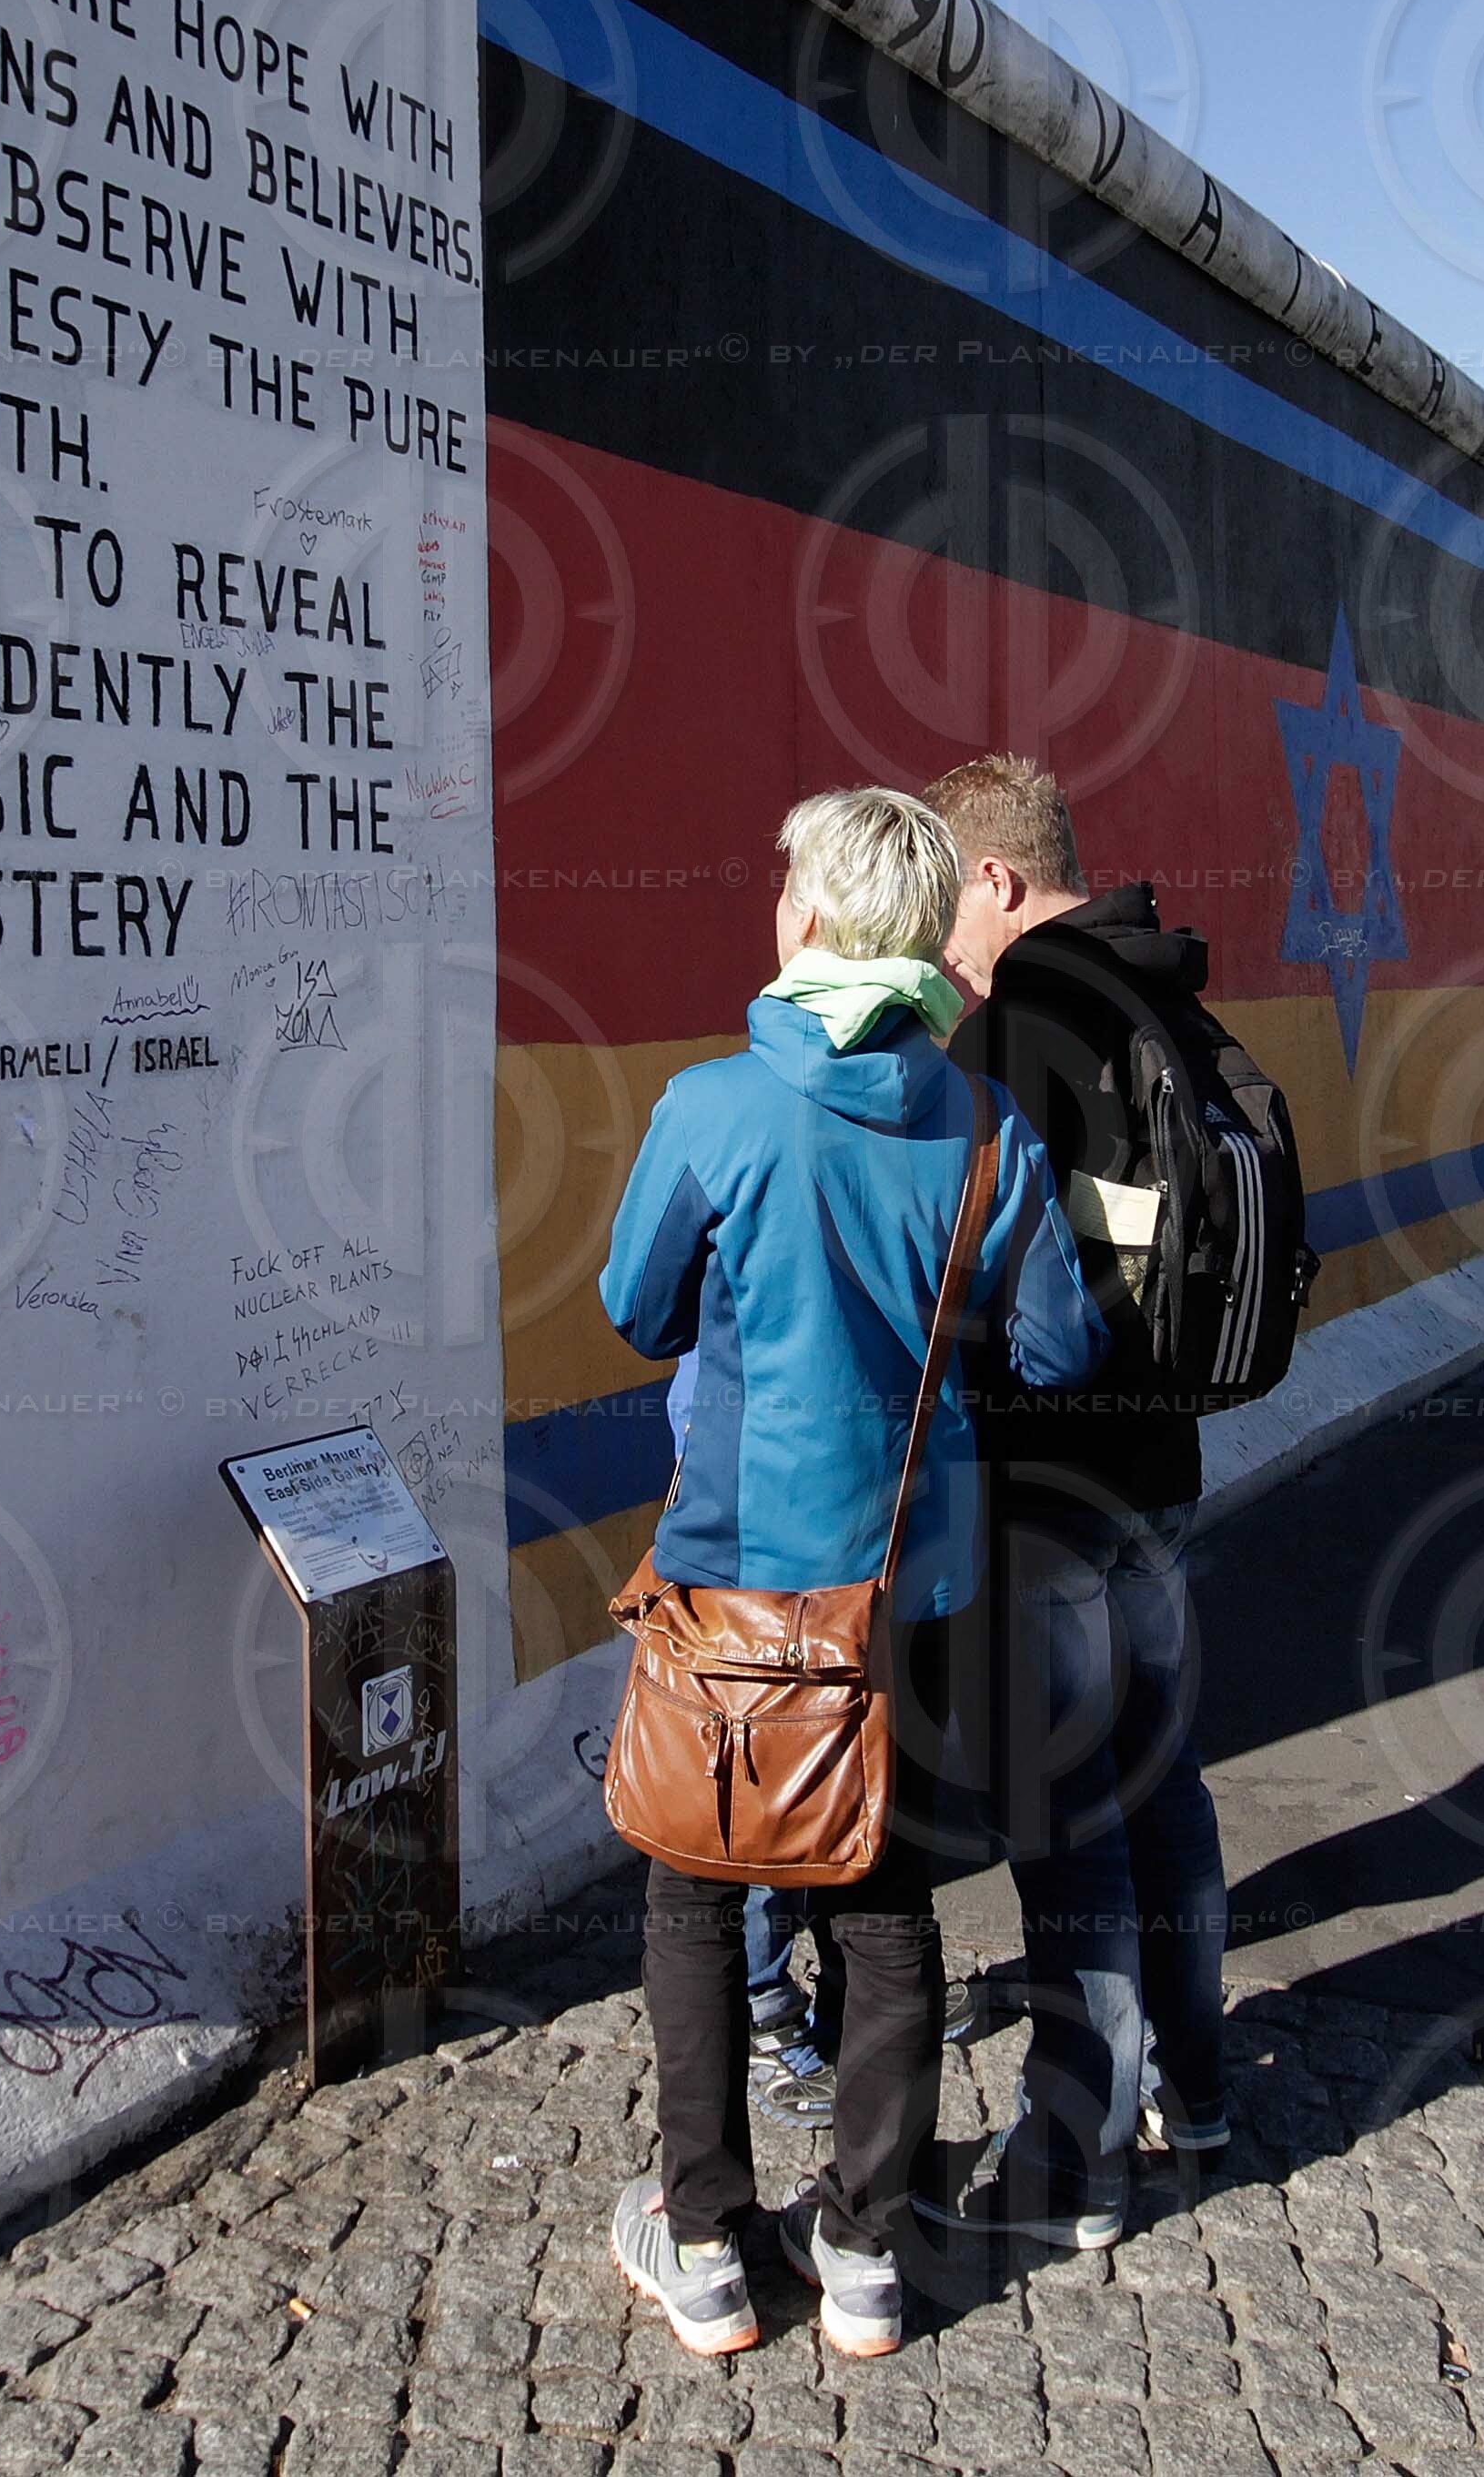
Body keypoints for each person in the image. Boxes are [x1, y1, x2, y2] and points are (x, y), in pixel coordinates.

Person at [596, 786, 1101, 2361]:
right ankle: (870, 2251)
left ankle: (703, 2241)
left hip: (734, 1584)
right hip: (910, 1586)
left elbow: (638, 1305)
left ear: (812, 917)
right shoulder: (989, 1124)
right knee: (883, 1906)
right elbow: (1059, 1345)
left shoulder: (707, 1107)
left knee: (693, 1895)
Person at [914, 753, 1238, 2255]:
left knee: (1071, 1823)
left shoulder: (1030, 1019)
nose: (942, 945)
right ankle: (1201, 2082)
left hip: (1054, 1479)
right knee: (1163, 1780)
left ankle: (1080, 2156)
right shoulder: (1167, 988)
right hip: (1164, 1464)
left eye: (946, 899)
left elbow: (1016, 1281)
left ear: (994, 875)